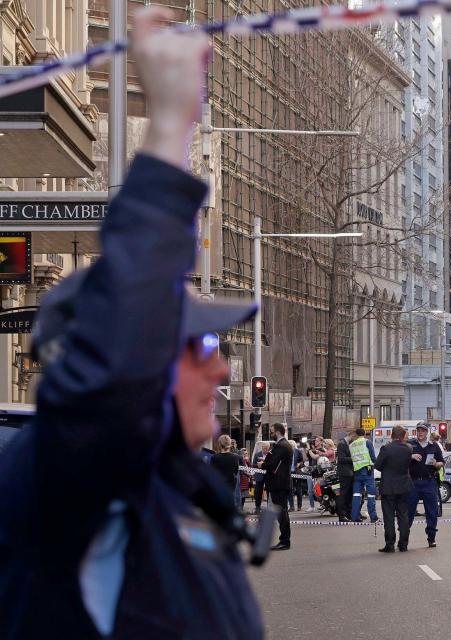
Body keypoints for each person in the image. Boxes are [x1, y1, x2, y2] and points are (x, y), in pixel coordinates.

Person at [0, 9, 263, 637]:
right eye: (198, 344)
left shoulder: (169, 490)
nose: (221, 366)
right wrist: (171, 121)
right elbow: (116, 372)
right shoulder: (70, 483)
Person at [374, 426, 413, 552]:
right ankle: (403, 544)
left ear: (392, 435)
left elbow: (378, 466)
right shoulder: (408, 449)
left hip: (389, 487)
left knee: (389, 517)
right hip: (404, 486)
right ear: (402, 436)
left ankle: (390, 544)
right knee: (403, 516)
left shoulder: (386, 448)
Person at [407, 422, 445, 548]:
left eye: (423, 430)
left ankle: (431, 538)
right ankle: (404, 538)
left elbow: (441, 462)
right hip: (413, 482)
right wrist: (410, 456)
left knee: (432, 512)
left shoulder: (433, 446)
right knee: (409, 512)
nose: (420, 432)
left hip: (429, 482)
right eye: (418, 430)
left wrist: (436, 463)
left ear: (427, 432)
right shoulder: (410, 444)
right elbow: (401, 458)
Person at [263, 423, 293, 550]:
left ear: (278, 432)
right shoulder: (285, 445)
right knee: (282, 511)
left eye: (272, 431)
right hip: (281, 483)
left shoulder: (280, 446)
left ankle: (285, 541)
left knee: (281, 512)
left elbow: (271, 464)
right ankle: (285, 540)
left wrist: (262, 465)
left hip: (279, 484)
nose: (271, 433)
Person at [350, 427, 379, 523]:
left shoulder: (352, 445)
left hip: (357, 472)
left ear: (356, 435)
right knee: (371, 494)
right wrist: (379, 465)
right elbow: (373, 457)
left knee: (356, 495)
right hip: (367, 471)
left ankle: (355, 517)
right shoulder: (367, 442)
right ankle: (373, 517)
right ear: (364, 434)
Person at [210, 434, 242, 509]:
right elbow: (236, 471)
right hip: (231, 487)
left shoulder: (214, 457)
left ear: (220, 444)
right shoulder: (235, 457)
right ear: (229, 444)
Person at [335, 432, 355, 522]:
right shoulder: (342, 444)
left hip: (348, 473)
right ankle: (342, 515)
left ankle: (347, 514)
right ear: (351, 436)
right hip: (344, 473)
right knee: (343, 494)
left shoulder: (345, 444)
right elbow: (342, 459)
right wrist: (354, 458)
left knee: (348, 494)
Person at [252, 441, 269, 514]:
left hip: (268, 476)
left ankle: (269, 508)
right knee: (258, 492)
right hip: (259, 476)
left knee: (269, 492)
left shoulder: (271, 455)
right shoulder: (257, 454)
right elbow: (253, 464)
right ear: (262, 448)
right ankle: (257, 507)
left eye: (267, 448)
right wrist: (259, 465)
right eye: (264, 448)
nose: (265, 450)